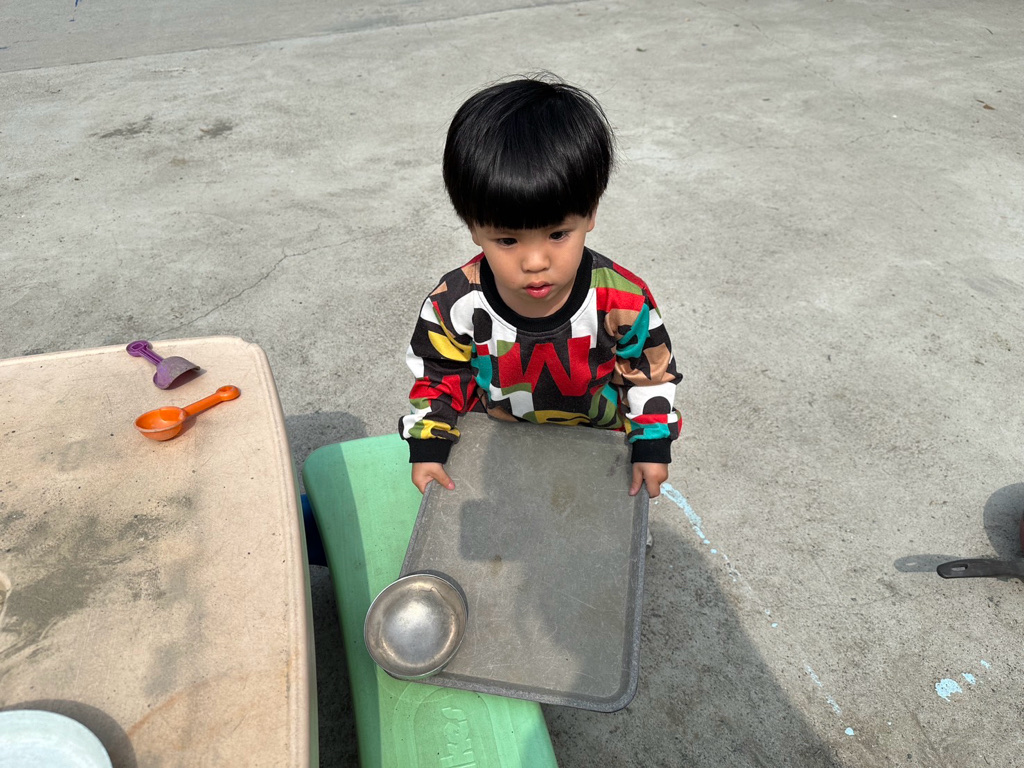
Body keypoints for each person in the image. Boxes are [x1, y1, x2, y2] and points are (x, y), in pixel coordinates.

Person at [399, 74, 682, 500]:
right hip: (500, 447)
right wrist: (428, 443)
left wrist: (651, 446)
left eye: (557, 234)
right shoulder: (455, 303)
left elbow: (650, 376)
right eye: (507, 240)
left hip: (597, 449)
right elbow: (438, 373)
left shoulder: (621, 300)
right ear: (473, 227)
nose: (535, 262)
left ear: (590, 213)